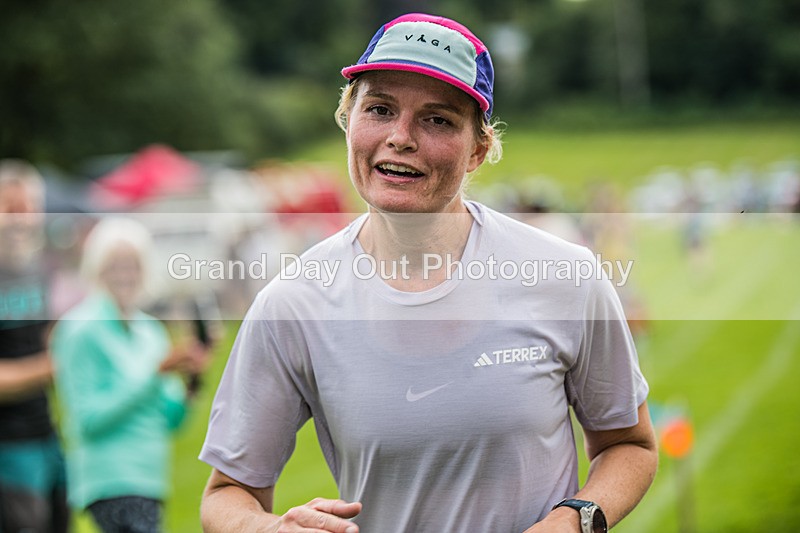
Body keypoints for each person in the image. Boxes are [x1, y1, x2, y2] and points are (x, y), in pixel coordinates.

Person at [199, 12, 657, 533]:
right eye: (379, 108)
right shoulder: (293, 303)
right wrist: (270, 529)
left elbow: (629, 444)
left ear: (478, 150)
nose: (400, 137)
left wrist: (574, 521)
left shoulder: (566, 276)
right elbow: (226, 493)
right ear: (349, 120)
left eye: (437, 119)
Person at [50, 218, 208, 533]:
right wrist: (155, 373)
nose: (125, 275)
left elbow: (169, 418)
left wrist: (192, 381)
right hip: (108, 479)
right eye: (115, 265)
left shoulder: (150, 332)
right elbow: (88, 420)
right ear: (97, 269)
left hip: (150, 478)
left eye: (132, 265)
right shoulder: (79, 331)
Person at [0, 159, 69, 533]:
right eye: (11, 209)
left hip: (48, 437)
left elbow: (48, 339)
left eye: (29, 209)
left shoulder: (40, 271)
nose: (21, 220)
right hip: (8, 449)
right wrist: (57, 364)